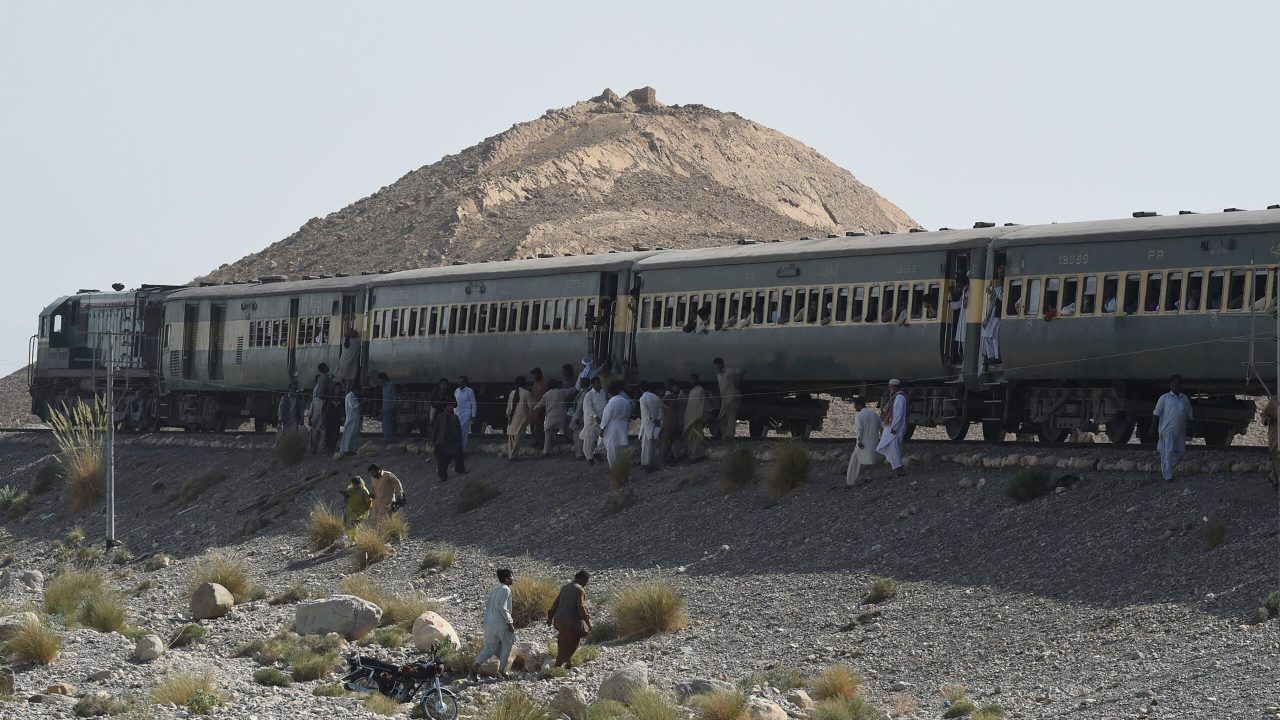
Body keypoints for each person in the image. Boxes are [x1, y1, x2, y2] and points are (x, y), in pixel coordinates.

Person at [472, 569, 515, 680]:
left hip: (489, 623)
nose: (513, 578)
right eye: (511, 576)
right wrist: (509, 622)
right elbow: (503, 608)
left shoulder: (495, 590)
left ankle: (475, 666)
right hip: (501, 624)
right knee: (508, 644)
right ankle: (502, 670)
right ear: (506, 578)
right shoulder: (506, 590)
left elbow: (488, 606)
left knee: (491, 646)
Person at [546, 570, 592, 668]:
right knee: (572, 640)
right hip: (569, 622)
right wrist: (588, 624)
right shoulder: (579, 589)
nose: (586, 584)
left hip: (558, 620)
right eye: (586, 581)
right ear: (583, 579)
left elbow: (555, 604)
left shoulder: (564, 588)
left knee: (571, 639)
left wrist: (550, 618)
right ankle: (558, 666)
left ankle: (564, 661)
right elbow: (581, 606)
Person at [1151, 374, 1193, 482]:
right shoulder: (1164, 398)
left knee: (1180, 453)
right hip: (1167, 430)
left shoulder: (1185, 399)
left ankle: (1166, 466)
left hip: (1180, 430)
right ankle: (1168, 476)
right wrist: (1152, 429)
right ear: (1170, 385)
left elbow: (1190, 415)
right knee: (1169, 451)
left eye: (1178, 383)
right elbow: (1156, 414)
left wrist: (1192, 428)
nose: (1176, 385)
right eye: (1174, 383)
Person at [875, 379, 908, 477]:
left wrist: (894, 427)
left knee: (893, 447)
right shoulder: (895, 397)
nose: (889, 388)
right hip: (890, 426)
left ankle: (898, 469)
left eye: (890, 386)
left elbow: (898, 415)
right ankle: (896, 467)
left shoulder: (900, 398)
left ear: (894, 387)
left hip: (894, 427)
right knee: (888, 446)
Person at [534, 380, 575, 457]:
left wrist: (534, 409)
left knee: (549, 435)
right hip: (561, 417)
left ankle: (546, 451)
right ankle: (578, 444)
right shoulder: (561, 392)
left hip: (550, 419)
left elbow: (540, 404)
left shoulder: (546, 394)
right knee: (569, 431)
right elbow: (572, 391)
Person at [845, 397, 881, 486]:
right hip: (873, 442)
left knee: (854, 463)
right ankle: (868, 477)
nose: (854, 408)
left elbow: (859, 430)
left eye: (855, 405)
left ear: (859, 404)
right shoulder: (874, 414)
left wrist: (859, 442)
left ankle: (850, 482)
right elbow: (881, 428)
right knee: (870, 460)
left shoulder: (859, 415)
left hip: (862, 443)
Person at [431, 402, 467, 481]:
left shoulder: (455, 417)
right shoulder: (440, 417)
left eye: (450, 406)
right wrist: (434, 442)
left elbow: (458, 430)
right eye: (448, 406)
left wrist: (459, 441)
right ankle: (443, 477)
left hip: (453, 441)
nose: (450, 407)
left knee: (458, 457)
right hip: (442, 443)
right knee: (442, 462)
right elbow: (435, 430)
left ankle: (460, 469)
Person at [599, 380, 631, 468]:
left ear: (609, 393)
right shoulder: (625, 401)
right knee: (622, 448)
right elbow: (628, 414)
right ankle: (622, 467)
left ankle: (613, 468)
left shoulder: (611, 403)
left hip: (613, 428)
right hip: (623, 426)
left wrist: (602, 429)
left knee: (611, 449)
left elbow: (606, 417)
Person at [713, 358, 744, 441]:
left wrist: (738, 382)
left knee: (731, 417)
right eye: (715, 365)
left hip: (733, 397)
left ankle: (729, 436)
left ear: (722, 364)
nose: (717, 366)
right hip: (725, 399)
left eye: (718, 364)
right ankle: (725, 434)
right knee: (721, 417)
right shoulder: (719, 374)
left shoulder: (729, 371)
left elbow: (741, 371)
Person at [505, 376, 534, 460]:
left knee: (511, 439)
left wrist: (508, 415)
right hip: (522, 419)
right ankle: (513, 456)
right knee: (518, 439)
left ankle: (511, 455)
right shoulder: (526, 393)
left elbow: (509, 407)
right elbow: (531, 406)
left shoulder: (512, 392)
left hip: (512, 418)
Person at [580, 376, 606, 464]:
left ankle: (597, 452)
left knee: (601, 437)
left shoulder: (603, 392)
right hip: (591, 420)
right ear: (593, 384)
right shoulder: (589, 395)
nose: (599, 384)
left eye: (600, 382)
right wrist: (595, 416)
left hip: (602, 419)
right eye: (597, 383)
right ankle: (589, 458)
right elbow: (588, 408)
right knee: (589, 439)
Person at [309, 364, 334, 455]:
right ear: (324, 369)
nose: (328, 367)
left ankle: (313, 448)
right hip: (324, 402)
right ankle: (322, 448)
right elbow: (331, 390)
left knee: (315, 428)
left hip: (318, 401)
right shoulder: (326, 378)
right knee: (323, 426)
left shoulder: (320, 378)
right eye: (326, 366)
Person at [982, 266, 1004, 367]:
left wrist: (1000, 275)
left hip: (998, 314)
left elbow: (1000, 295)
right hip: (994, 314)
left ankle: (996, 357)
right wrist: (992, 293)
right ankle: (992, 356)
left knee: (993, 335)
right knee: (988, 335)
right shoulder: (999, 290)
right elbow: (998, 294)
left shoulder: (1002, 289)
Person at [683, 375, 708, 462]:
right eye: (690, 379)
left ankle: (696, 456)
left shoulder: (701, 390)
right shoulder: (692, 391)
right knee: (692, 438)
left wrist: (699, 416)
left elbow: (701, 403)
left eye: (693, 379)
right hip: (689, 417)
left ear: (697, 380)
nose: (691, 381)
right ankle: (696, 455)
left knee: (696, 437)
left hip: (696, 418)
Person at [638, 382, 661, 470]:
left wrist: (653, 419)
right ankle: (653, 462)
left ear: (641, 389)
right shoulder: (656, 397)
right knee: (654, 444)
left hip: (647, 424)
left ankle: (646, 463)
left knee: (645, 445)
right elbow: (660, 410)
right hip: (656, 424)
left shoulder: (642, 398)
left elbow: (645, 413)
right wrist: (657, 419)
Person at [659, 379, 681, 465]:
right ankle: (664, 461)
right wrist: (668, 409)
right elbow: (661, 403)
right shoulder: (670, 396)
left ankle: (670, 459)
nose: (676, 388)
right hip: (668, 423)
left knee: (671, 442)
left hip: (673, 423)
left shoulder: (675, 396)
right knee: (666, 443)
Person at [454, 376, 477, 452]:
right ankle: (456, 450)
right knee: (456, 432)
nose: (460, 383)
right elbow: (454, 403)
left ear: (465, 383)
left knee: (463, 433)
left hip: (466, 415)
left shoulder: (469, 391)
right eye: (459, 382)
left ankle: (462, 451)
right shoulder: (456, 391)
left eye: (462, 382)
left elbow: (473, 403)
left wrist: (473, 415)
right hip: (457, 414)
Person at [277, 377, 304, 444]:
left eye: (294, 389)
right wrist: (280, 417)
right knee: (285, 434)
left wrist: (301, 418)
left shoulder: (298, 398)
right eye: (292, 389)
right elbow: (280, 407)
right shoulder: (284, 397)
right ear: (289, 389)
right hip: (286, 419)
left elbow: (301, 408)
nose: (293, 390)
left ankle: (292, 447)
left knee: (294, 435)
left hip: (294, 419)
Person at [570, 378, 590, 459]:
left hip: (580, 416)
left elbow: (580, 406)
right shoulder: (584, 393)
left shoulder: (584, 394)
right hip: (581, 416)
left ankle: (580, 454)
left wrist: (577, 417)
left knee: (578, 435)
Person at [340, 383, 361, 456]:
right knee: (349, 434)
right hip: (351, 418)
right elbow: (353, 406)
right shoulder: (349, 396)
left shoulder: (353, 396)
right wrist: (361, 403)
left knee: (354, 434)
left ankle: (351, 449)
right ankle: (346, 449)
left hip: (354, 418)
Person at [529, 368, 548, 439]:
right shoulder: (535, 382)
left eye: (535, 375)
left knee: (539, 427)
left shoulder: (544, 384)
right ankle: (536, 440)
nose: (534, 377)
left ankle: (540, 442)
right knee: (533, 426)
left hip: (541, 408)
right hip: (534, 408)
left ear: (539, 374)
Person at [1264, 398, 1278, 490]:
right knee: (1275, 454)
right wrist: (1266, 419)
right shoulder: (1274, 400)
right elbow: (1264, 414)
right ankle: (1274, 478)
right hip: (1276, 432)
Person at [378, 372, 397, 442]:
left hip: (389, 406)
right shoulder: (383, 386)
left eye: (380, 379)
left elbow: (394, 396)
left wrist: (393, 405)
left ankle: (389, 438)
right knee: (384, 423)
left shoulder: (391, 384)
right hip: (384, 406)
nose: (380, 381)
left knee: (389, 423)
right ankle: (386, 438)